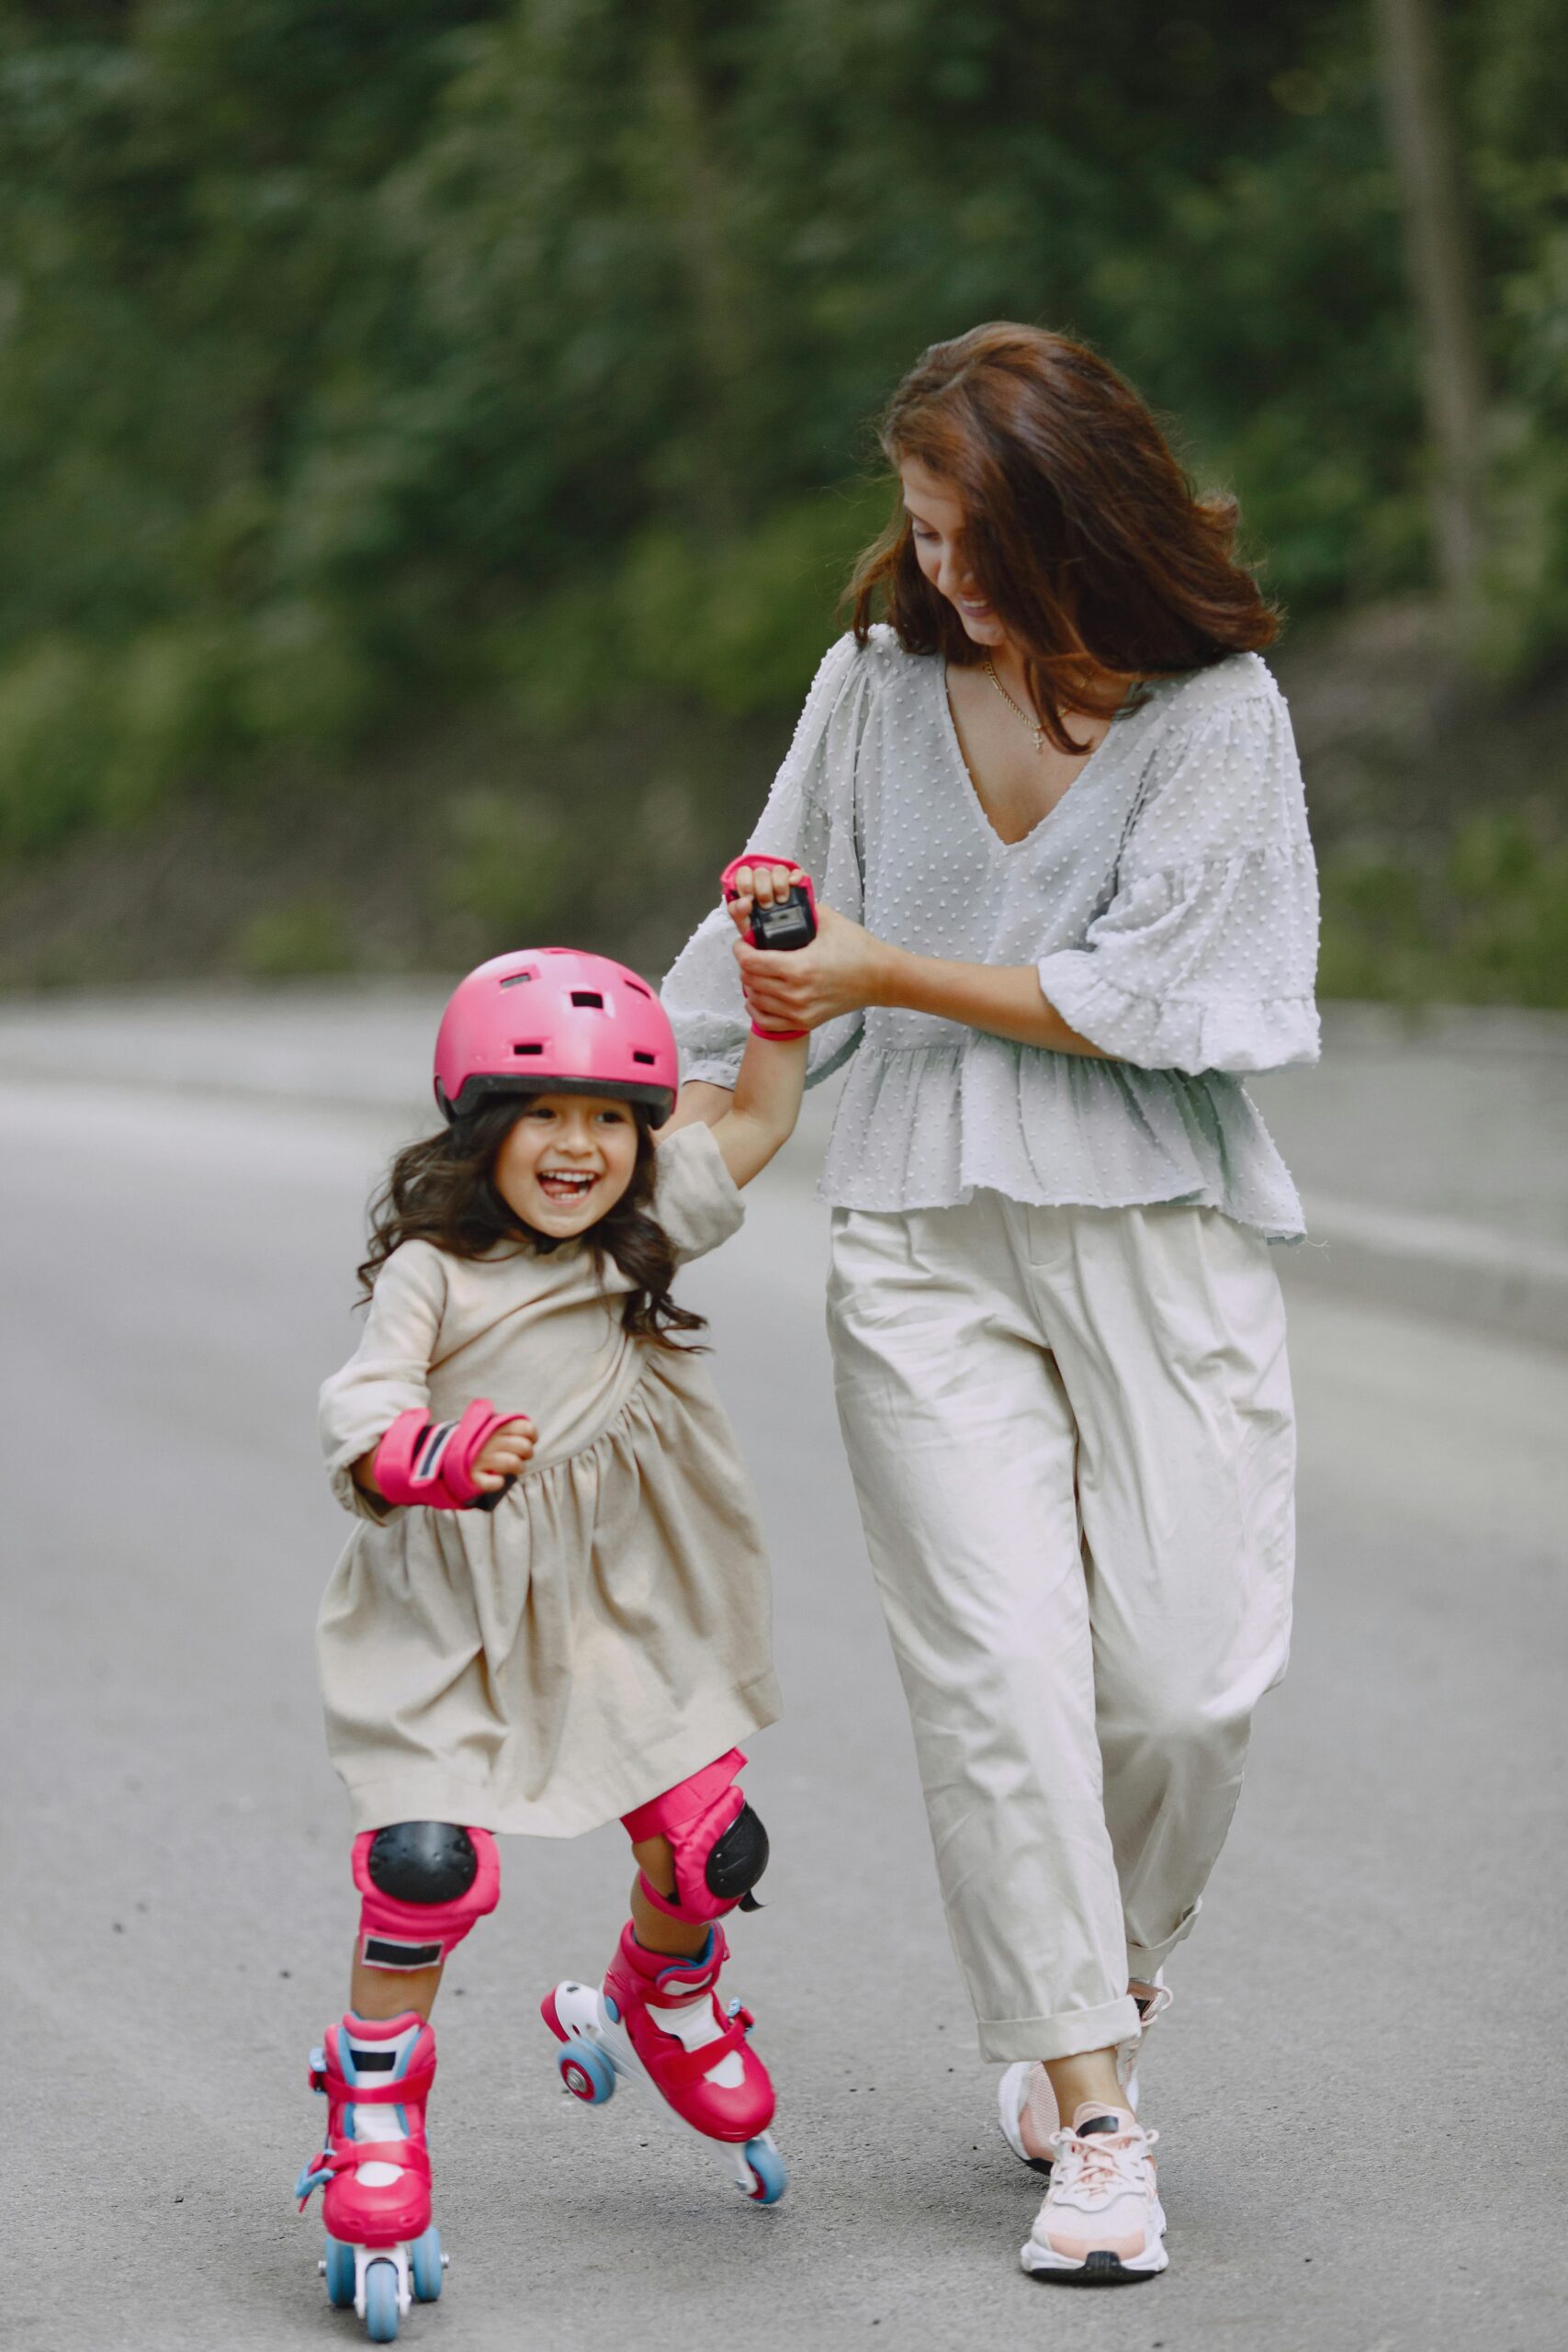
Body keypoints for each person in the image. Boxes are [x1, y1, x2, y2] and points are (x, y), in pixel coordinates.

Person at [662, 323, 1318, 2284]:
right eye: (919, 529)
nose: (938, 571)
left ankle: (1091, 1972)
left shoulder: (1214, 714)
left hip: (1151, 1227)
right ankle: (1091, 2109)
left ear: (1074, 518)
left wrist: (885, 968)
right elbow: (749, 946)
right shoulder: (871, 691)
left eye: (970, 536)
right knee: (997, 1681)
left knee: (1187, 1686)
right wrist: (600, 1129)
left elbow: (1167, 998)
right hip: (922, 1236)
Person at [296, 884, 808, 2334]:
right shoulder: (432, 1272)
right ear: (480, 1129)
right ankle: (374, 2108)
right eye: (543, 1116)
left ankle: (665, 1983)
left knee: (714, 1848)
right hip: (447, 1620)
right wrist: (426, 1454)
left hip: (624, 1607)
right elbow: (365, 1397)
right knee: (423, 1867)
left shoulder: (638, 1234)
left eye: (610, 1119)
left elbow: (762, 1120)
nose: (580, 1149)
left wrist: (779, 976)